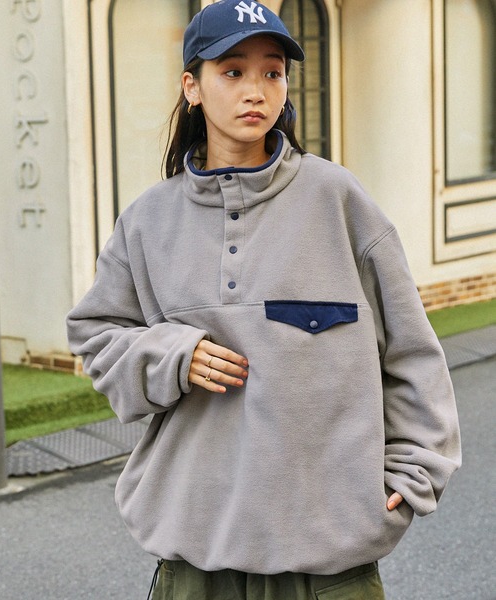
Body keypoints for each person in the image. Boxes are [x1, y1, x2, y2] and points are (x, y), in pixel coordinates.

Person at [66, 1, 461, 598]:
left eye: (272, 72)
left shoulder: (338, 199)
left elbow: (412, 352)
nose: (256, 90)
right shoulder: (147, 221)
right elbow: (96, 335)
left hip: (329, 564)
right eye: (233, 71)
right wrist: (172, 354)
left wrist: (415, 472)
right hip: (195, 557)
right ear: (191, 87)